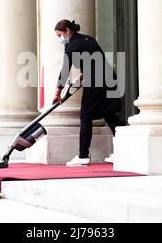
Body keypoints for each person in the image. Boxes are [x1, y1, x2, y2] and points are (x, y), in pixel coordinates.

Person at [53, 19, 124, 167]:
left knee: (86, 115)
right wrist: (81, 77)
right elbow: (96, 61)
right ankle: (125, 150)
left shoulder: (72, 45)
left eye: (60, 35)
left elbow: (65, 70)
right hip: (108, 78)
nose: (59, 39)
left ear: (67, 30)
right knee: (110, 115)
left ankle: (83, 156)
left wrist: (57, 93)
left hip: (97, 82)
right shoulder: (87, 39)